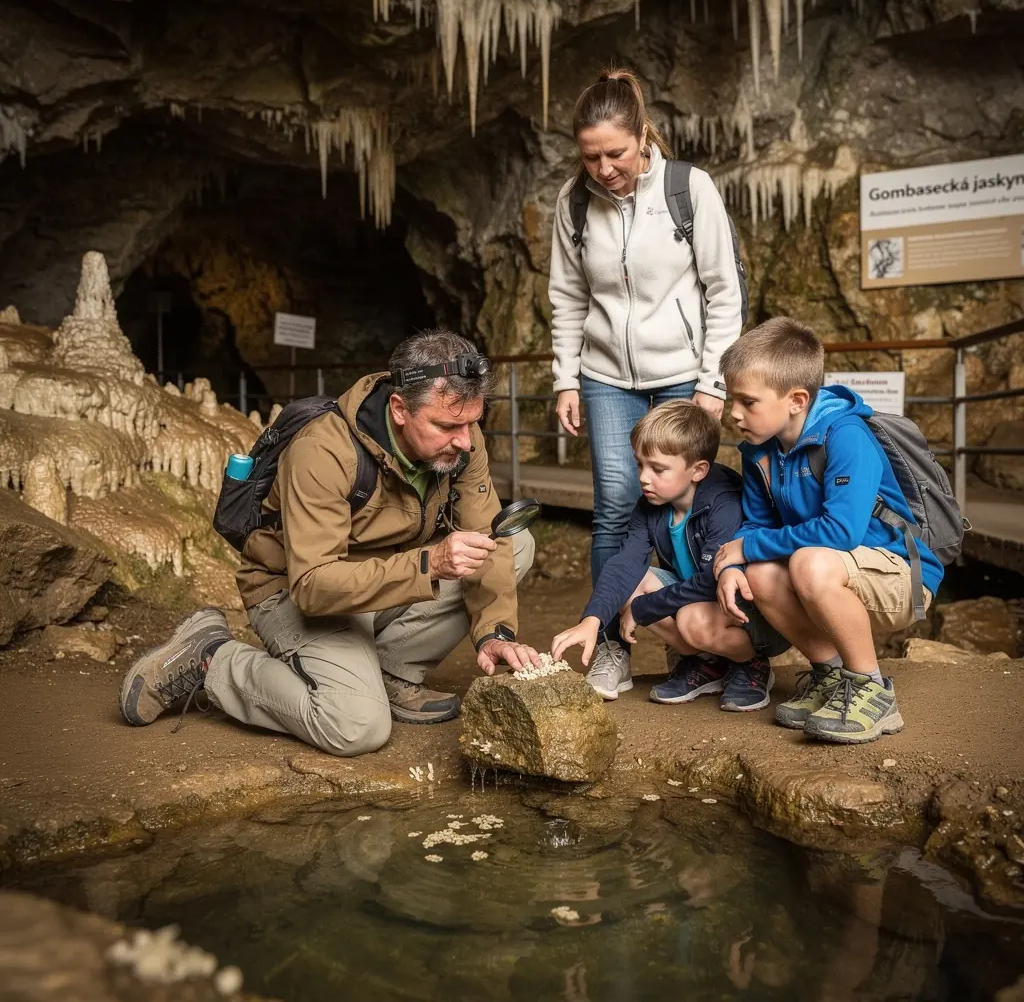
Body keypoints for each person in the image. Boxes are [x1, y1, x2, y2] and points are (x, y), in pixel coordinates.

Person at [119, 329, 540, 756]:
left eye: (473, 422)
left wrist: (494, 632)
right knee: (356, 726)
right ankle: (210, 659)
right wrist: (429, 564)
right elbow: (313, 587)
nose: (466, 440)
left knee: (513, 541)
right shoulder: (322, 450)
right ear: (399, 408)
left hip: (387, 578)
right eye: (447, 425)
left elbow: (489, 535)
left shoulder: (462, 442)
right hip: (298, 589)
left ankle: (392, 673)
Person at [548, 67, 744, 698]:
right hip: (606, 376)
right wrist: (565, 379)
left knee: (691, 504)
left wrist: (713, 382)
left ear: (642, 138)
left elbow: (723, 289)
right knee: (614, 505)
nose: (604, 168)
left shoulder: (690, 189)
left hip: (685, 373)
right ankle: (609, 645)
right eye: (590, 156)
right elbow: (567, 296)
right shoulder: (572, 203)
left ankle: (704, 643)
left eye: (617, 154)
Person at [713, 317, 943, 744]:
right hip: (828, 569)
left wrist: (750, 544)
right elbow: (756, 526)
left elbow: (840, 532)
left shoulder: (846, 435)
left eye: (747, 401)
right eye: (731, 399)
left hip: (900, 576)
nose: (733, 413)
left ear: (797, 399)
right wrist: (732, 565)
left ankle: (872, 690)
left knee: (807, 562)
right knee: (760, 573)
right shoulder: (759, 451)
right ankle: (832, 678)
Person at [550, 400, 787, 710]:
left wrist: (643, 608)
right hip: (701, 604)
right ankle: (707, 664)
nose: (644, 478)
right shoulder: (651, 504)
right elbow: (624, 564)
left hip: (749, 614)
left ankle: (750, 665)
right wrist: (592, 620)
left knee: (689, 619)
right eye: (640, 465)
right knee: (629, 582)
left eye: (658, 468)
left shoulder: (725, 503)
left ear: (698, 470)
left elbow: (708, 580)